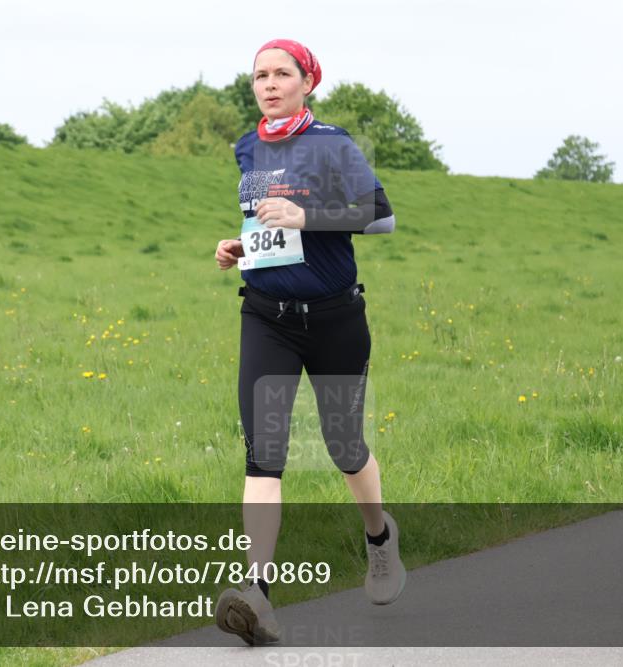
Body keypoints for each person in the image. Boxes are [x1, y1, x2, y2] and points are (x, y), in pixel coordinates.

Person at [212, 38, 406, 646]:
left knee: (344, 445)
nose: (268, 84)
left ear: (306, 82)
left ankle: (379, 538)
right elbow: (269, 226)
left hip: (334, 318)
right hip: (266, 317)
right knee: (263, 453)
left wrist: (308, 216)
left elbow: (380, 213)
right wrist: (242, 247)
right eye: (259, 76)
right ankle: (257, 595)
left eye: (281, 74)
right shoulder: (248, 147)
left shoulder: (330, 142)